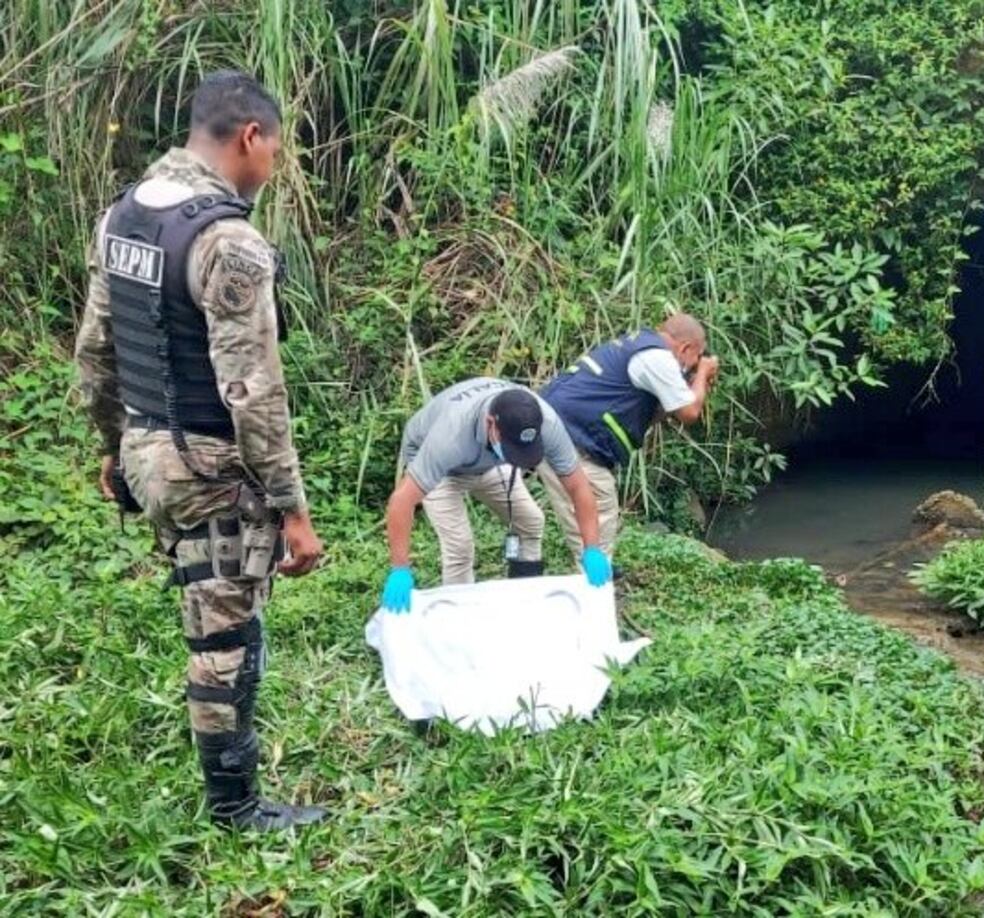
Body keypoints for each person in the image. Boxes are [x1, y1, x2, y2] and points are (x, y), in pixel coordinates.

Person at [74, 71, 327, 831]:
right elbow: (253, 391)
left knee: (210, 617)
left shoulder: (123, 215)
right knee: (225, 640)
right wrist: (293, 509)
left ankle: (233, 790)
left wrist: (114, 446)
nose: (271, 168)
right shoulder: (228, 239)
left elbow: (95, 351)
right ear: (249, 136)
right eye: (274, 151)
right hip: (209, 466)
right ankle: (236, 809)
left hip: (149, 450)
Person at [380, 378, 612, 613]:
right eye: (512, 446)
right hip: (443, 470)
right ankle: (460, 618)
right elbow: (402, 500)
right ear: (491, 424)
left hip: (490, 461)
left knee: (530, 522)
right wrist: (400, 569)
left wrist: (592, 548)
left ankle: (523, 599)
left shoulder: (546, 422)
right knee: (460, 546)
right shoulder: (449, 436)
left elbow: (579, 486)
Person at [538, 314, 719, 558]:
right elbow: (690, 412)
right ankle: (595, 585)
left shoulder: (641, 344)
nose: (693, 365)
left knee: (598, 514)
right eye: (695, 358)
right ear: (685, 348)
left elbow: (664, 410)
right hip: (570, 438)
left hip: (560, 429)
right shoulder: (659, 358)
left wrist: (696, 382)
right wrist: (703, 372)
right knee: (596, 517)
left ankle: (598, 575)